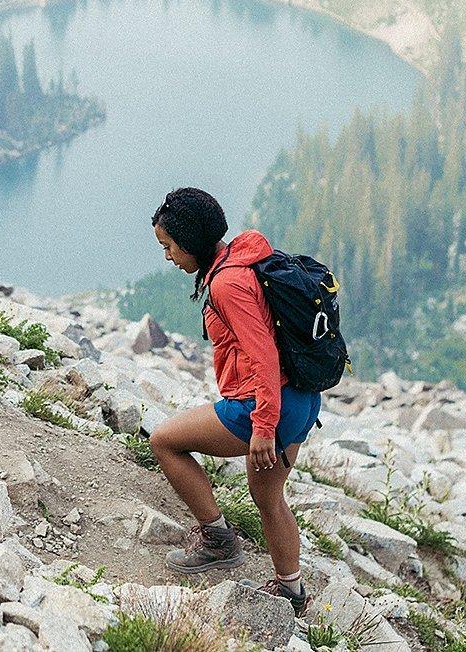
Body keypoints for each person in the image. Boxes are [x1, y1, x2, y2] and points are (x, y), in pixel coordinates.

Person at [149, 187, 321, 615]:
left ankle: (217, 538)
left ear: (189, 241)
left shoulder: (227, 283)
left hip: (265, 405)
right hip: (300, 398)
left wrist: (263, 427)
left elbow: (262, 354)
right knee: (268, 497)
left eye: (169, 246)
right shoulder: (243, 254)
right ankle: (291, 591)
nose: (168, 256)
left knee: (164, 441)